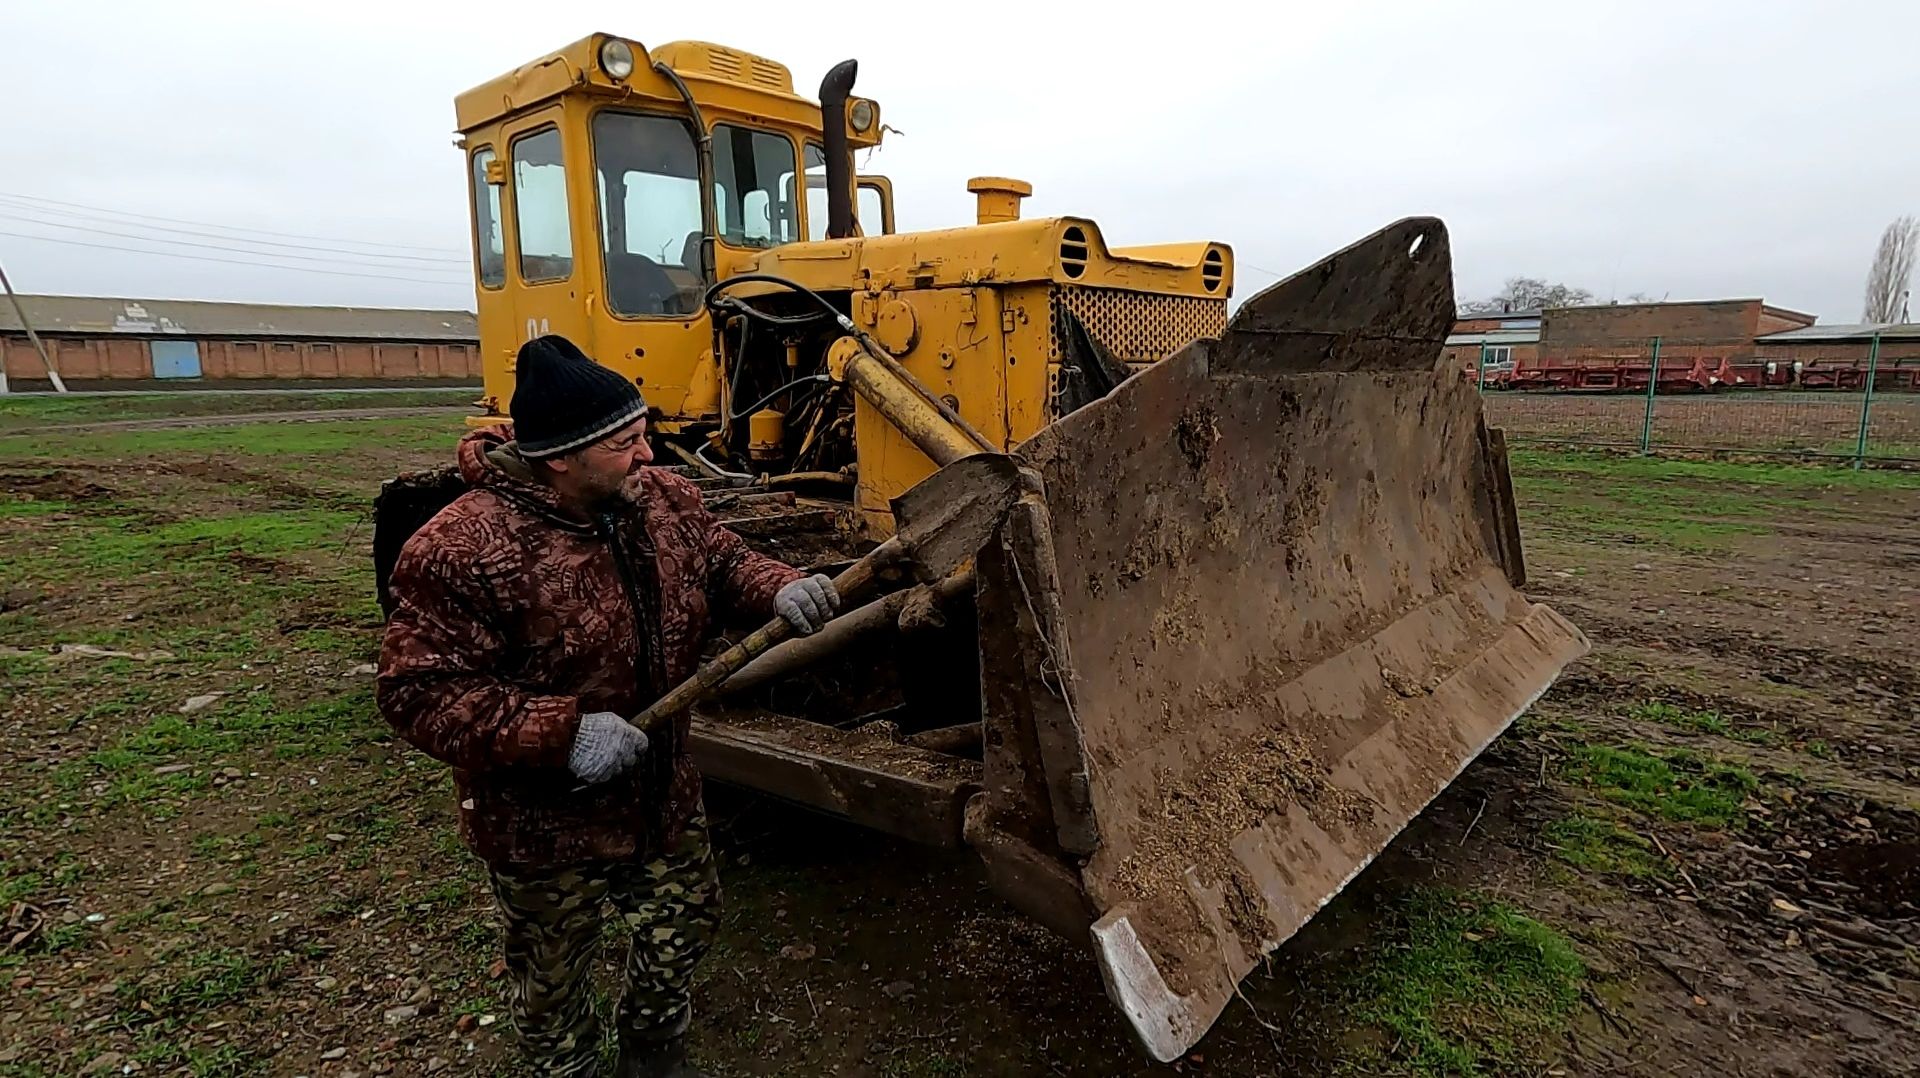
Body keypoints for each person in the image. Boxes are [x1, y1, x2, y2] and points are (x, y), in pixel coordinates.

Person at [376, 335, 839, 1078]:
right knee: (553, 986)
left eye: (644, 435)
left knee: (682, 929)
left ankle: (655, 1053)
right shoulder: (459, 548)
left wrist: (777, 584)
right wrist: (562, 734)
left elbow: (719, 558)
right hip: (544, 826)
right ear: (562, 457)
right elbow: (418, 693)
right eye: (627, 444)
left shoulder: (660, 499)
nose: (649, 456)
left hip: (662, 794)